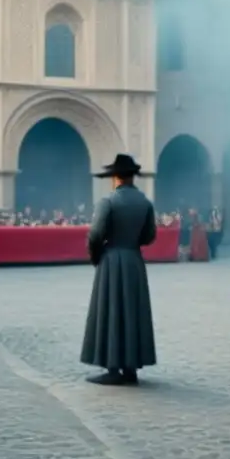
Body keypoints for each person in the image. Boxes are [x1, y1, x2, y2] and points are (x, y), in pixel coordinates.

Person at [80, 153, 157, 386]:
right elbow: (149, 236)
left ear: (115, 177)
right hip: (134, 260)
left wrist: (96, 256)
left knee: (112, 311)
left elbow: (95, 234)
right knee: (132, 313)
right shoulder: (145, 203)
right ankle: (131, 368)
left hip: (112, 259)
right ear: (133, 177)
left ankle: (113, 368)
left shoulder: (108, 202)